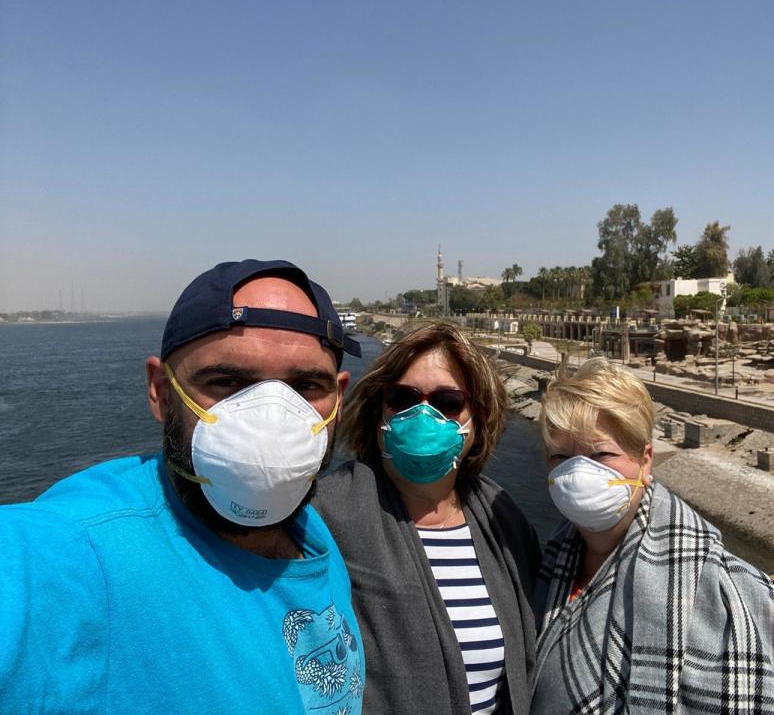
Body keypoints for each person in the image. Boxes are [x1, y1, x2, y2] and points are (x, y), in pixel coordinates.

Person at [0, 259, 366, 714]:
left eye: (306, 385)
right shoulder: (80, 551)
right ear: (160, 391)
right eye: (227, 381)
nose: (272, 421)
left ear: (339, 396)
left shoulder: (311, 534)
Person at [532, 358, 774, 715]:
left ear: (645, 461)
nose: (579, 472)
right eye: (561, 456)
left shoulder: (723, 589)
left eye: (602, 454)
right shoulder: (547, 563)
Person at [314, 322, 541, 715]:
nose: (422, 413)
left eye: (448, 401)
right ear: (379, 409)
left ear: (476, 420)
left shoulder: (504, 520)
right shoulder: (326, 515)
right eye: (402, 398)